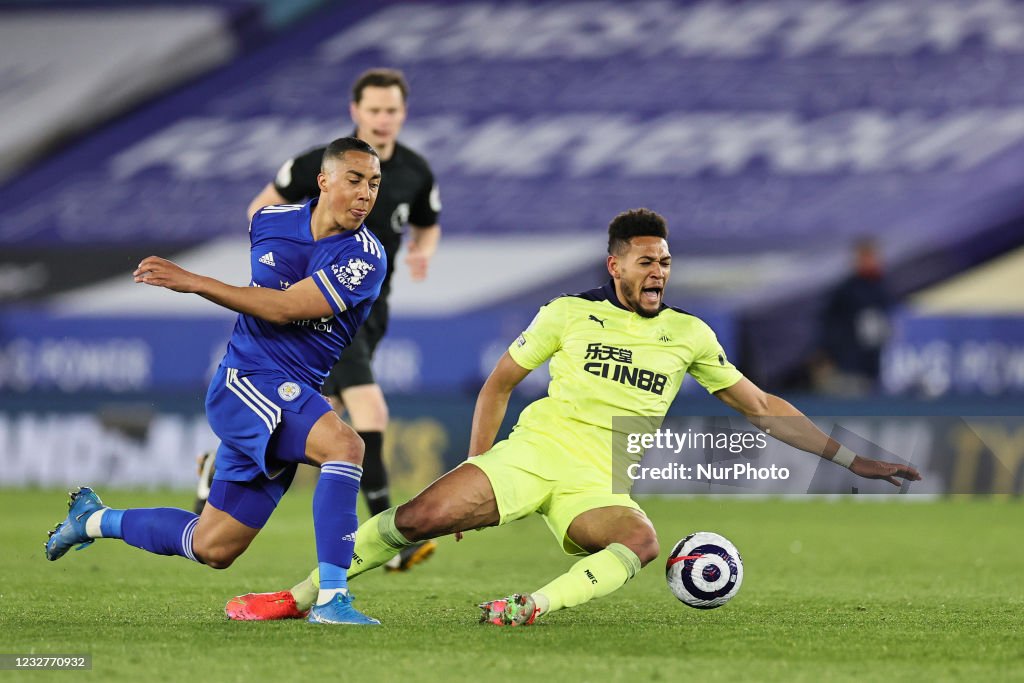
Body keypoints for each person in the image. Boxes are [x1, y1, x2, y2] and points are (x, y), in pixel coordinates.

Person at [224, 208, 921, 624]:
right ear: (616, 264)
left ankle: (531, 606)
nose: (660, 273)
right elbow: (498, 384)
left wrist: (853, 459)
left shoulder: (691, 336)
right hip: (529, 456)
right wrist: (476, 459)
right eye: (647, 262)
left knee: (640, 541)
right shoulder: (567, 313)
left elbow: (765, 409)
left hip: (599, 479)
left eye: (667, 262)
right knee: (415, 522)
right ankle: (298, 596)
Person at [45, 137, 388, 626]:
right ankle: (333, 601)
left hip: (289, 394)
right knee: (345, 447)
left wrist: (196, 281)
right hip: (245, 381)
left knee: (213, 546)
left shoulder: (365, 257)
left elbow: (287, 308)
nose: (365, 194)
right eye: (354, 180)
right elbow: (259, 224)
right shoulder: (271, 221)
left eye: (374, 183)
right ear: (324, 180)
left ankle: (95, 520)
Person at [195, 67, 442, 572]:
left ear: (403, 114)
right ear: (356, 111)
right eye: (373, 109)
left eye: (391, 110)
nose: (382, 118)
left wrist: (422, 252)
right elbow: (261, 210)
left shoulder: (416, 171)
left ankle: (218, 464)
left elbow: (428, 224)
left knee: (319, 408)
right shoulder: (317, 162)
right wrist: (279, 270)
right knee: (368, 415)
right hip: (320, 304)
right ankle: (388, 541)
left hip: (366, 311)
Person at [811, 238, 892, 396]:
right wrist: (829, 354)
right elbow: (827, 323)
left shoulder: (883, 288)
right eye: (864, 257)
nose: (869, 262)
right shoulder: (846, 290)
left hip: (875, 364)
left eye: (872, 257)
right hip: (848, 364)